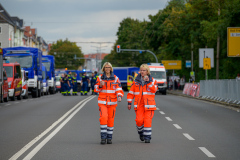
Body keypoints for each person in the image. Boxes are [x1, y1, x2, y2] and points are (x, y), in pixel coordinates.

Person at [94, 62, 124, 144]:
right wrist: (100, 85)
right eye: (106, 67)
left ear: (111, 68)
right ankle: (103, 138)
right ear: (103, 69)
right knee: (103, 118)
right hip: (102, 102)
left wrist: (120, 96)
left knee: (111, 120)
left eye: (109, 67)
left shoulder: (115, 78)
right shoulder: (100, 78)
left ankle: (109, 138)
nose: (107, 69)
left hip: (113, 102)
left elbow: (119, 89)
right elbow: (95, 89)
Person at [127, 64, 157, 143]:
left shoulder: (153, 80)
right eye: (141, 70)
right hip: (139, 104)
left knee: (147, 120)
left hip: (149, 105)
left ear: (147, 71)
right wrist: (129, 102)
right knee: (139, 121)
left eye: (144, 70)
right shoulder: (136, 81)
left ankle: (147, 137)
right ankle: (141, 133)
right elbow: (131, 93)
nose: (142, 72)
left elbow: (154, 90)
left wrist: (149, 82)